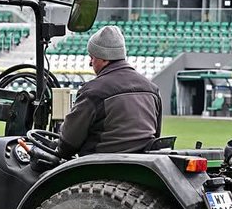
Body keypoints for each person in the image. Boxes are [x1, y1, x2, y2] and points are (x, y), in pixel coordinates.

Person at [57, 24, 163, 158]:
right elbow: (156, 134)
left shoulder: (93, 92)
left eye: (92, 58)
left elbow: (68, 144)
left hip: (100, 166)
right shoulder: (152, 89)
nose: (91, 63)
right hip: (141, 163)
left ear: (104, 58)